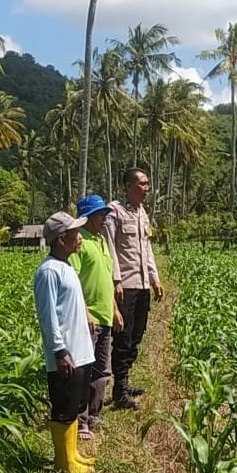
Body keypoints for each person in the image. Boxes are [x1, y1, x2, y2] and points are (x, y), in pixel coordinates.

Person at [34, 211, 96, 473]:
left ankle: (72, 454)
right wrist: (59, 351)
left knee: (73, 405)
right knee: (63, 407)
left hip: (79, 351)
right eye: (75, 233)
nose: (79, 237)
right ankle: (63, 462)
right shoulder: (48, 271)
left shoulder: (66, 266)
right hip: (66, 354)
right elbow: (48, 316)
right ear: (61, 239)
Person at [104, 167, 164, 410]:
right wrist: (116, 280)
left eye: (148, 184)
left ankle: (125, 381)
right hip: (125, 285)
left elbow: (146, 249)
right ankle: (119, 390)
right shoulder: (114, 212)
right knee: (123, 337)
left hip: (142, 285)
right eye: (143, 184)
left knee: (137, 334)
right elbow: (109, 247)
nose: (147, 188)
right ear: (129, 186)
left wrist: (154, 278)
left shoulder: (142, 213)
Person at [68, 194, 124, 440]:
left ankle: (93, 414)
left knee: (103, 371)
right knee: (84, 371)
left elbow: (106, 281)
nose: (104, 219)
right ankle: (80, 421)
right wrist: (86, 311)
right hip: (88, 318)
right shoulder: (80, 242)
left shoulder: (101, 241)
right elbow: (74, 282)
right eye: (101, 215)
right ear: (88, 218)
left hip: (105, 316)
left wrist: (115, 309)